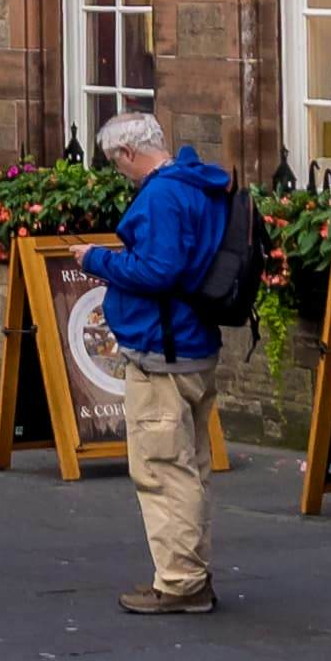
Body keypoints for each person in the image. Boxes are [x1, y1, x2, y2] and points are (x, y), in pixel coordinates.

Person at [78, 111, 241, 616]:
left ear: (127, 153)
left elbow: (158, 270)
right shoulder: (198, 184)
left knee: (162, 469)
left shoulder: (163, 195)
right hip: (190, 345)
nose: (117, 172)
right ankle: (190, 573)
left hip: (163, 350)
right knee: (188, 466)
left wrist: (94, 259)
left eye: (114, 162)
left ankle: (180, 581)